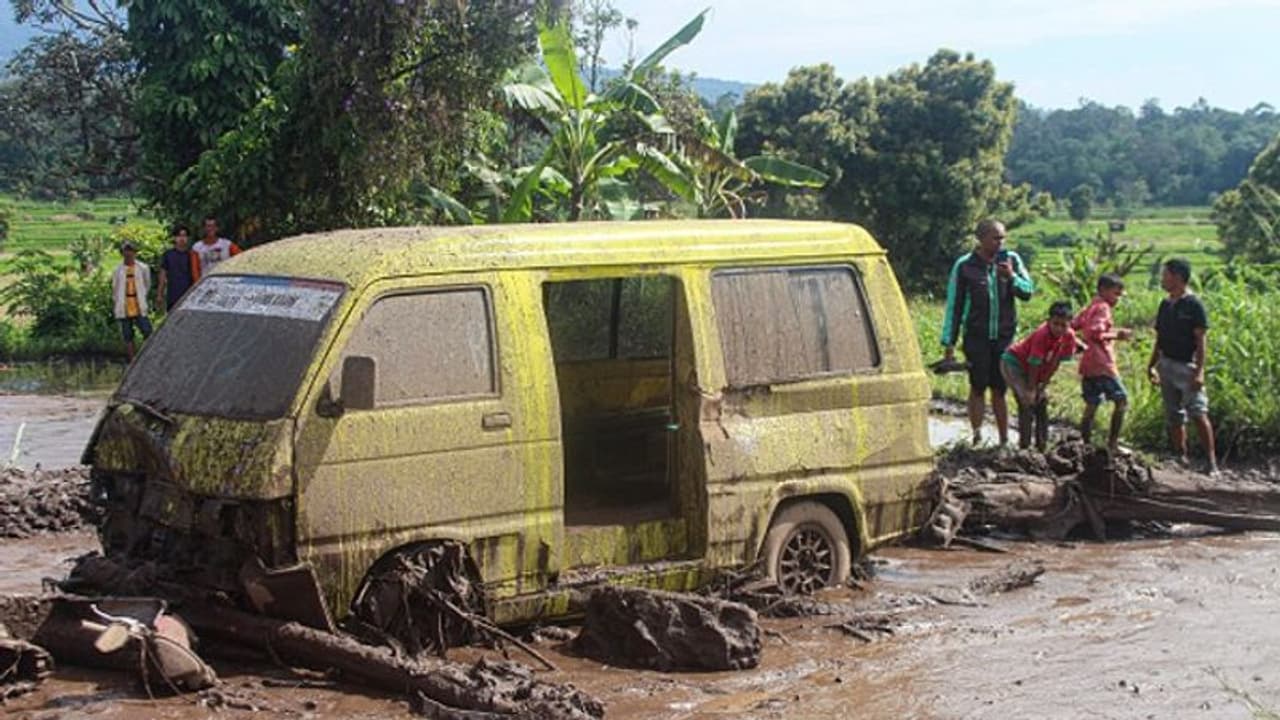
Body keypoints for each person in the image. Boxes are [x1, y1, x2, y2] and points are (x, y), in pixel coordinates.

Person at [941, 218, 1035, 445]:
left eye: (1002, 238)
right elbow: (955, 305)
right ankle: (976, 436)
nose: (1000, 243)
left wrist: (1011, 277)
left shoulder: (1011, 260)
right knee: (977, 386)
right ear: (980, 239)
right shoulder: (965, 266)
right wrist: (949, 344)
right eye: (995, 238)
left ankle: (1003, 439)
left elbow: (1028, 291)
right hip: (976, 337)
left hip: (1004, 337)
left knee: (999, 389)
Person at [1148, 258, 1218, 475]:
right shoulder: (1165, 305)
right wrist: (1151, 365)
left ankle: (1211, 463)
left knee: (1198, 412)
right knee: (1174, 414)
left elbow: (1201, 341)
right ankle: (1181, 456)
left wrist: (1199, 371)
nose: (1162, 279)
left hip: (1187, 366)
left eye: (1165, 275)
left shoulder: (1193, 305)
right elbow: (1159, 338)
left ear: (1177, 277)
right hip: (1166, 364)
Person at [999, 301, 1076, 451]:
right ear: (1049, 321)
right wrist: (1031, 389)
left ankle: (1042, 446)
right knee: (1026, 401)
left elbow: (1056, 363)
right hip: (1014, 363)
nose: (1059, 329)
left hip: (1036, 368)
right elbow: (1034, 363)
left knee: (1042, 401)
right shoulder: (1042, 335)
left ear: (1069, 324)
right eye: (1056, 324)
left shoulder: (1069, 337)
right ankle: (1024, 448)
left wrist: (1042, 386)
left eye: (1063, 325)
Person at [1073, 274, 1134, 454]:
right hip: (1102, 363)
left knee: (1092, 403)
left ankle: (1085, 443)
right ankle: (1113, 444)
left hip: (1087, 363)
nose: (1118, 298)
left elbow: (1074, 325)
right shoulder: (1103, 307)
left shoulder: (1090, 306)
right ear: (1103, 290)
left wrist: (1076, 342)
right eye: (1116, 293)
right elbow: (1094, 332)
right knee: (1121, 400)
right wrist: (1117, 335)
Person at [111, 241, 152, 361]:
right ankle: (132, 359)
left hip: (138, 303)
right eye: (126, 252)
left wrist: (142, 296)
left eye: (131, 252)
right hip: (123, 304)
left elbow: (146, 284)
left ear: (135, 253)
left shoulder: (143, 268)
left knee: (147, 331)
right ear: (122, 254)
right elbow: (115, 288)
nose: (128, 255)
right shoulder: (118, 270)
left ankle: (147, 357)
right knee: (127, 335)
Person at [156, 224, 201, 311]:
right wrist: (159, 294)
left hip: (189, 296)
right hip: (173, 295)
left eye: (184, 236)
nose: (182, 239)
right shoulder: (168, 255)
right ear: (174, 238)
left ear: (188, 238)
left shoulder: (192, 255)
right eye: (179, 236)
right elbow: (162, 276)